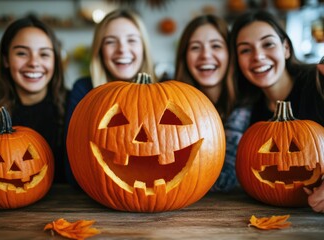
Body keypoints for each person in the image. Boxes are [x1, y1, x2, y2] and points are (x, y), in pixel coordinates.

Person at [230, 10, 324, 212]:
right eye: (245, 50)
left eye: (268, 44)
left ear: (286, 48)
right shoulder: (246, 113)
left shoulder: (318, 82)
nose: (258, 56)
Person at [0, 15, 68, 183]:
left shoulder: (72, 104)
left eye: (44, 54)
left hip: (67, 206)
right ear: (6, 60)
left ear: (55, 61)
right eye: (22, 53)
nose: (34, 62)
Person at [65, 8, 156, 184]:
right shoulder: (84, 90)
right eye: (110, 42)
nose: (122, 49)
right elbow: (73, 165)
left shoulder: (169, 92)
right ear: (99, 50)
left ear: (143, 48)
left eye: (132, 40)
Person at [174, 14, 251, 192]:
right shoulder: (168, 106)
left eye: (216, 46)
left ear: (230, 54)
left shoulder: (251, 103)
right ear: (184, 56)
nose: (205, 55)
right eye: (195, 48)